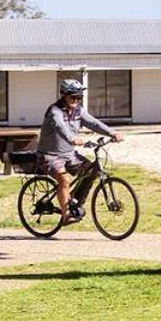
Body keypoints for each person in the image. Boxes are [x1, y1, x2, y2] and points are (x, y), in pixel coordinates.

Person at [38, 78, 120, 224]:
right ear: (64, 95)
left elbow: (93, 123)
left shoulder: (78, 111)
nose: (76, 100)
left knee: (92, 169)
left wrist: (112, 133)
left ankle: (75, 201)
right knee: (64, 179)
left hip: (69, 154)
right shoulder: (54, 111)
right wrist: (72, 139)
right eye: (73, 96)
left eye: (79, 97)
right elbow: (60, 127)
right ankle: (66, 214)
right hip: (50, 156)